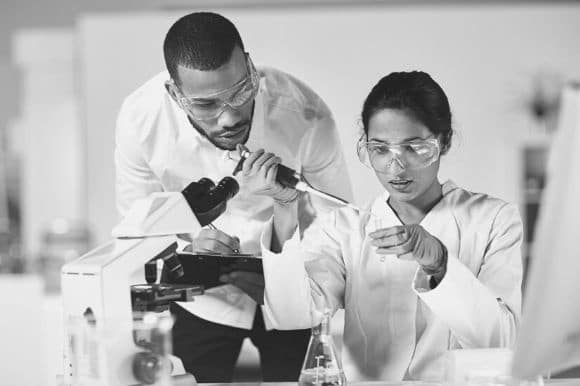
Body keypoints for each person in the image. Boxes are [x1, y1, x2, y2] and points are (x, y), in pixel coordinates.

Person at [114, 11, 353, 382]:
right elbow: (135, 230)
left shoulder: (306, 115)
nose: (228, 118)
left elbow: (337, 223)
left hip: (288, 292)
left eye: (241, 92)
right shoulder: (141, 120)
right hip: (200, 301)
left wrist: (281, 271)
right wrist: (188, 246)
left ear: (252, 69)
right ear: (175, 94)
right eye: (206, 105)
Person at [255, 71, 523, 381]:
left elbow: (501, 341)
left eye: (413, 148)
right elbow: (292, 316)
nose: (395, 167)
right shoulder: (344, 228)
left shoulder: (494, 220)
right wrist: (285, 206)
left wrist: (441, 265)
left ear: (444, 142)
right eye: (380, 150)